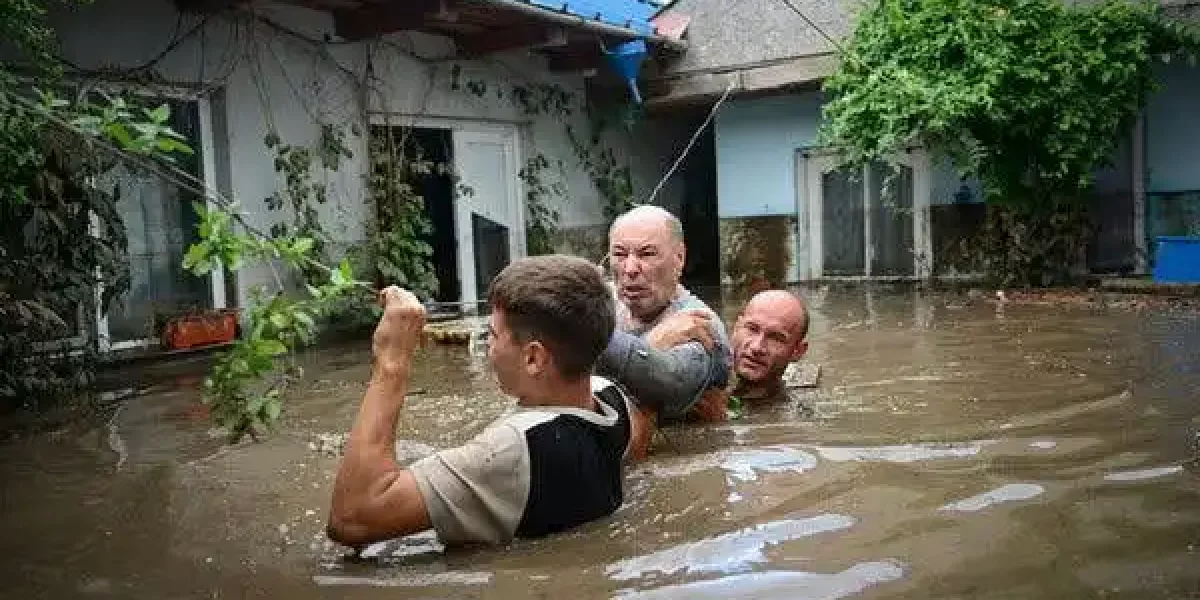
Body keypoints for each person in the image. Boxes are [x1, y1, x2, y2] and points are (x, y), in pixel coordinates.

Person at [326, 255, 636, 548]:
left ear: (533, 357)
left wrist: (392, 361)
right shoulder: (612, 399)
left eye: (492, 336)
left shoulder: (513, 447)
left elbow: (352, 517)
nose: (488, 349)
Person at [593, 205, 732, 459]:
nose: (630, 269)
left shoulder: (699, 326)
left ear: (679, 258)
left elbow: (665, 379)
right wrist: (654, 342)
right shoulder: (602, 301)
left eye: (647, 254)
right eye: (620, 254)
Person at [726, 289, 810, 404]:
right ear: (736, 328)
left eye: (775, 338)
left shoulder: (799, 416)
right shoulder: (701, 379)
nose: (757, 347)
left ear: (798, 351)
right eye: (752, 329)